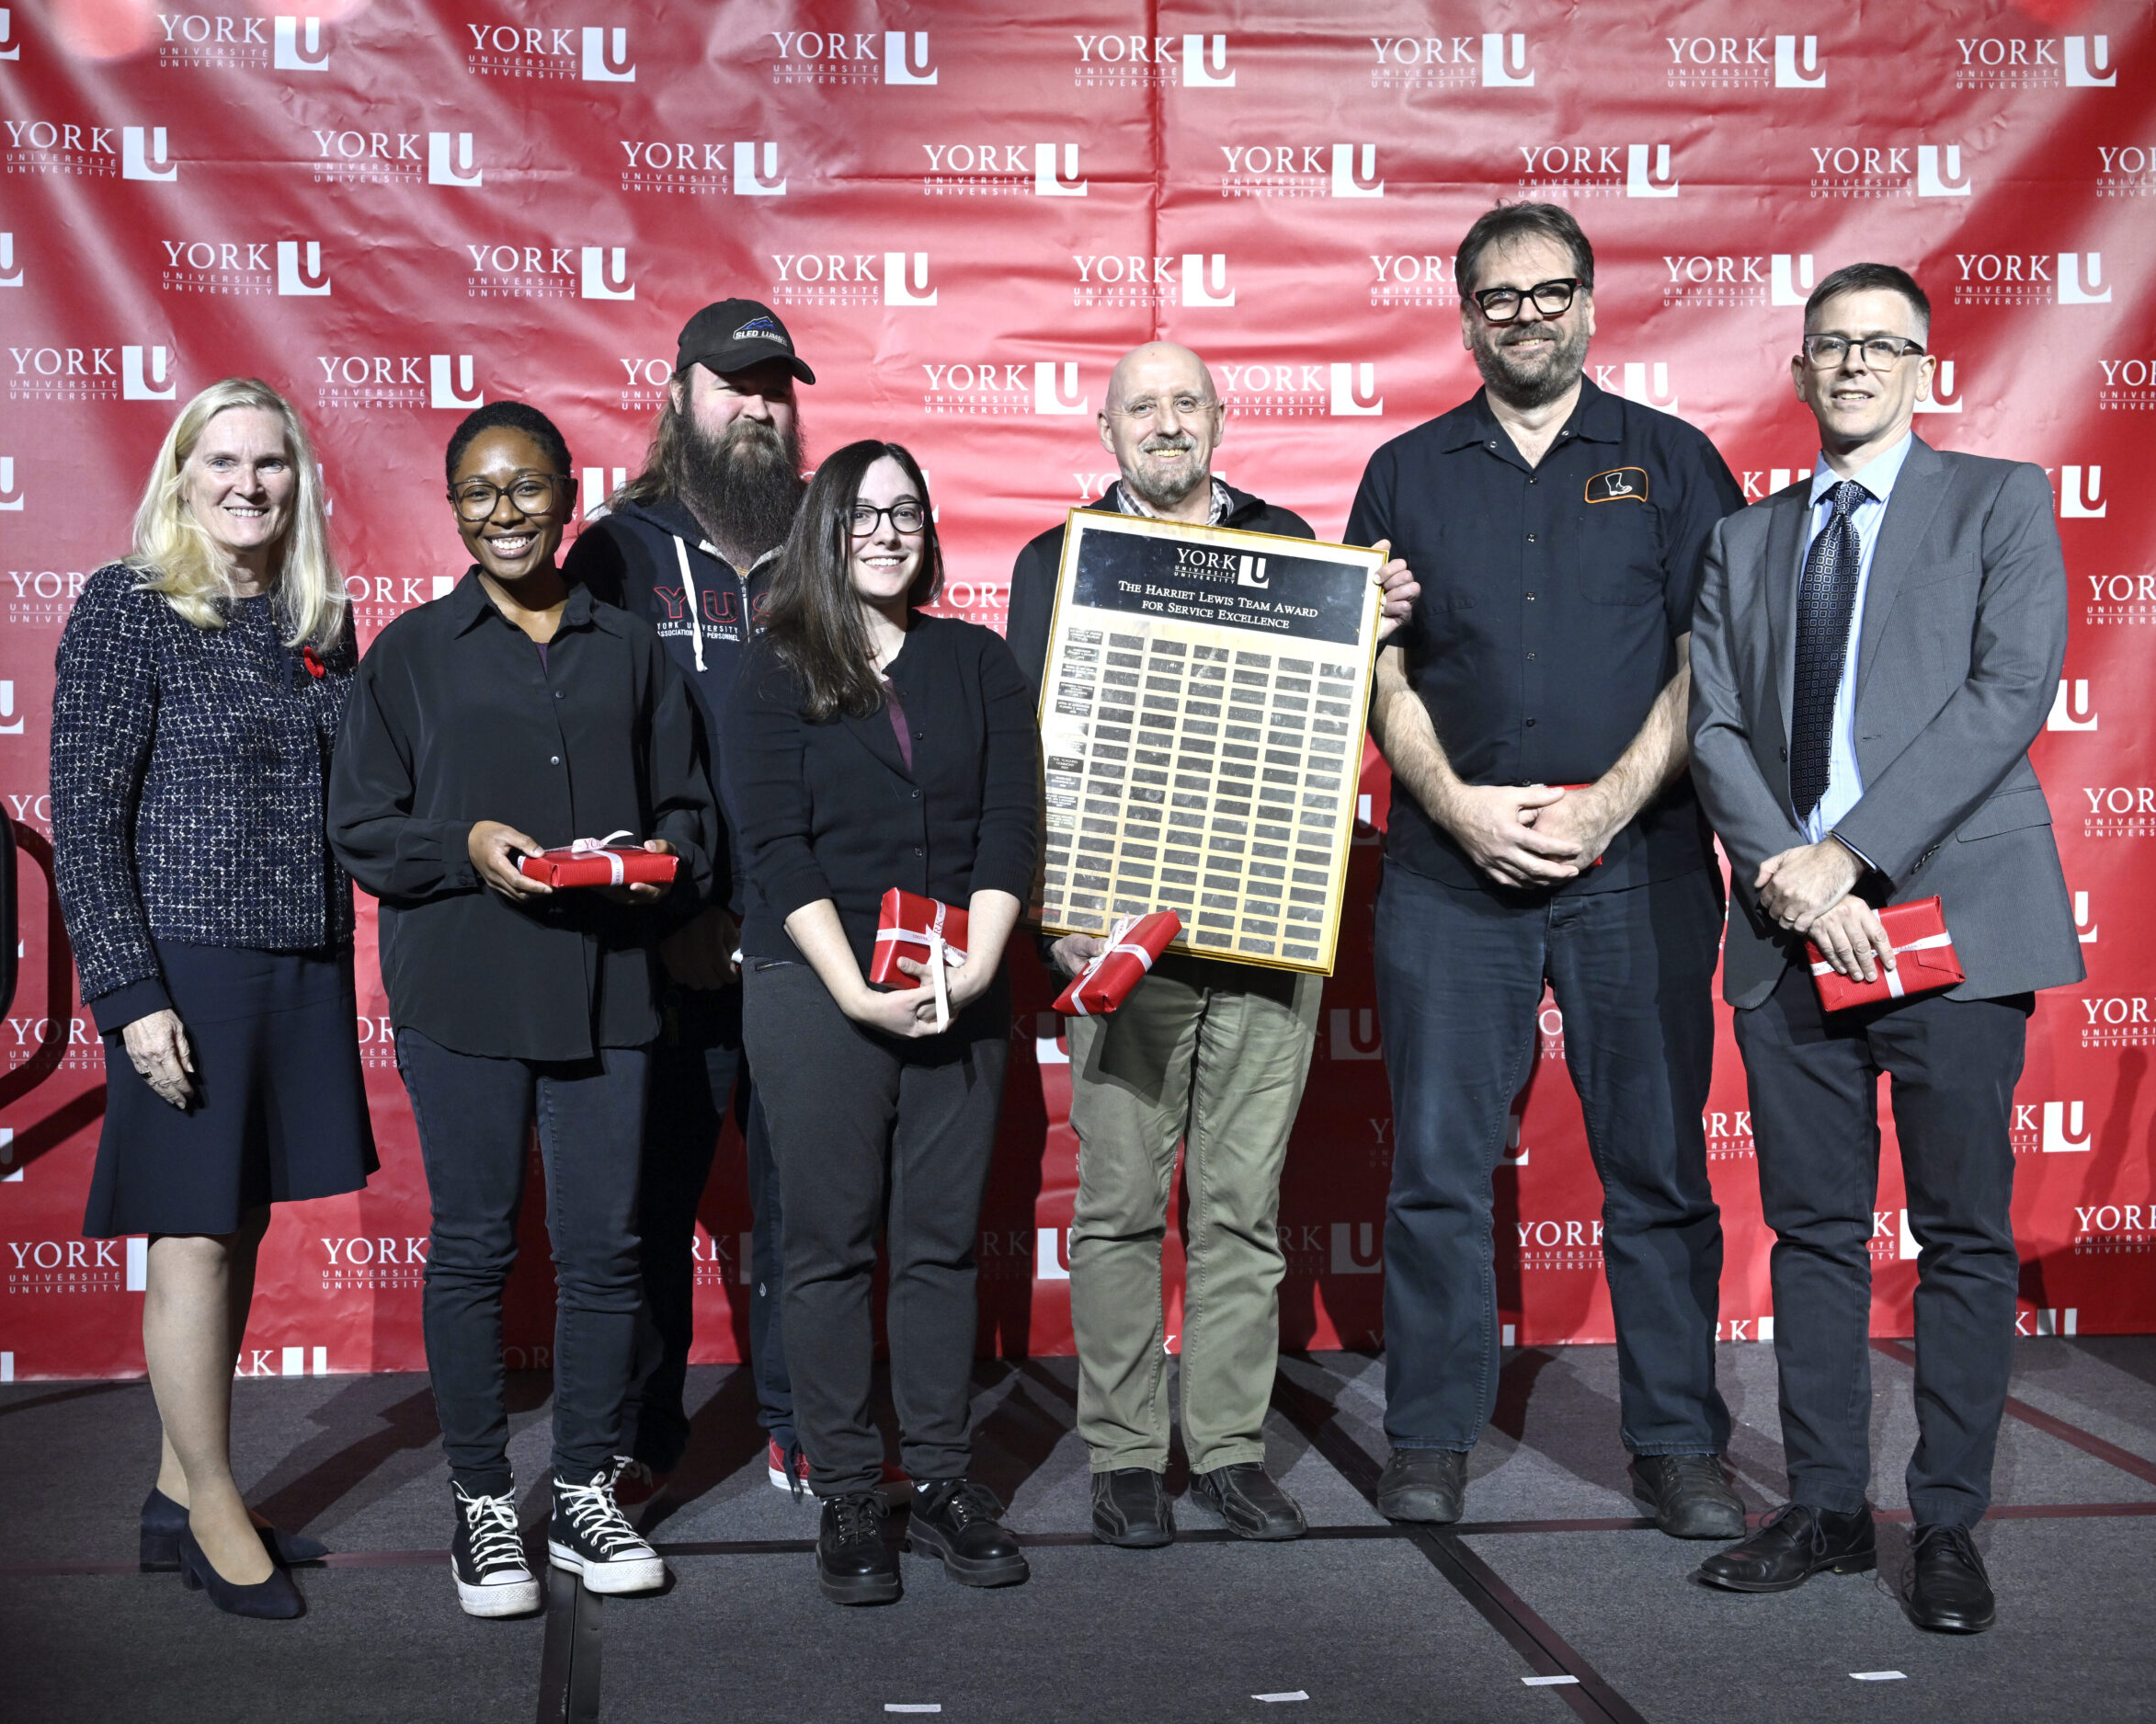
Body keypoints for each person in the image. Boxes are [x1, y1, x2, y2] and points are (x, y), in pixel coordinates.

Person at [1688, 264, 2082, 1632]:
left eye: (1880, 344)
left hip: (1951, 924)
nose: (1853, 364)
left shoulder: (2001, 501)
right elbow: (1717, 728)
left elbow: (2004, 695)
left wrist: (1848, 855)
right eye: (1830, 346)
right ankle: (1826, 1505)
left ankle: (1952, 1520)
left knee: (1965, 1232)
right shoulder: (1747, 540)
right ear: (1799, 372)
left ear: (1926, 366)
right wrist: (1797, 885)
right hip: (1796, 936)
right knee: (1809, 1232)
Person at [1352, 201, 1748, 1536]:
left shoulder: (1673, 460)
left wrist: (1608, 804)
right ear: (1466, 315)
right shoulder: (1404, 471)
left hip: (1638, 866)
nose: (1527, 314)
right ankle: (1429, 1436)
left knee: (1656, 1167)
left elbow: (1717, 661)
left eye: (1550, 290)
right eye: (1499, 296)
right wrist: (1460, 807)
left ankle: (1679, 1442)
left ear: (1591, 303)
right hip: (1447, 874)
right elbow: (1371, 662)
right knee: (1439, 1172)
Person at [1006, 341, 1418, 1549]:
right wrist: (1055, 916)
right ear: (1106, 429)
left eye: (1187, 401)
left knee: (1243, 1207)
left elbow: (1334, 716)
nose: (1167, 421)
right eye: (1144, 405)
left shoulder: (1296, 541)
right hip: (1121, 937)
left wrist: (1380, 628)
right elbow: (1037, 750)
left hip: (1264, 930)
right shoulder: (1059, 560)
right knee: (1122, 1202)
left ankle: (1231, 1449)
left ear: (1221, 419)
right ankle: (1128, 1455)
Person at [328, 400, 717, 1616]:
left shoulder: (631, 646)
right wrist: (469, 842)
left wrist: (653, 860)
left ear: (567, 492)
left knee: (607, 1254)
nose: (505, 511)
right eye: (480, 492)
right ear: (454, 508)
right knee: (477, 1246)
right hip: (463, 989)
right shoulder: (411, 651)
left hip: (610, 991)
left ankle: (588, 1489)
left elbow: (692, 815)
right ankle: (484, 1503)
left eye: (527, 487)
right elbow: (363, 827)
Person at [51, 377, 374, 1620]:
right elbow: (86, 816)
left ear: (300, 479)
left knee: (236, 1227)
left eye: (272, 463)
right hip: (185, 963)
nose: (248, 484)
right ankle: (213, 1503)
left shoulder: (314, 614)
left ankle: (172, 1487)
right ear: (181, 472)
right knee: (190, 1233)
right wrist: (132, 993)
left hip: (297, 953)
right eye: (223, 460)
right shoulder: (130, 606)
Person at [724, 440, 1039, 1605]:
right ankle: (849, 1485)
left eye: (906, 511)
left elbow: (1010, 824)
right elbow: (772, 845)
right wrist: (856, 986)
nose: (888, 530)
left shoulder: (976, 659)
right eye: (862, 514)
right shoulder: (773, 668)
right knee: (826, 1245)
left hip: (962, 982)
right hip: (817, 988)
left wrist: (977, 958)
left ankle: (944, 1477)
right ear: (823, 530)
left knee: (940, 1243)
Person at [562, 299, 813, 1498]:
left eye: (775, 386)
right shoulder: (617, 546)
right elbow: (592, 745)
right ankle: (642, 1439)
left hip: (811, 940)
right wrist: (673, 913)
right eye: (732, 384)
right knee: (650, 1210)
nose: (758, 406)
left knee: (810, 1201)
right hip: (674, 944)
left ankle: (806, 1423)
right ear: (678, 397)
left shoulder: (829, 533)